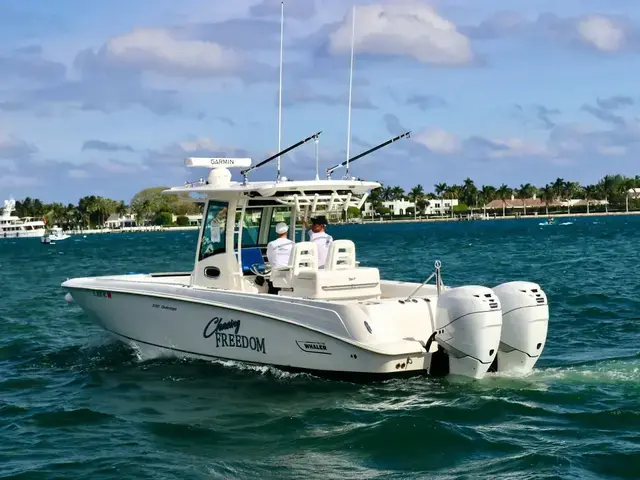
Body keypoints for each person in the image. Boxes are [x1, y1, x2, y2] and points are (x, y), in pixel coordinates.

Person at [266, 222, 294, 294]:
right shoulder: (292, 244)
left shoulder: (271, 244)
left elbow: (270, 259)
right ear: (287, 231)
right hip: (290, 276)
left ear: (276, 232)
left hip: (276, 275)